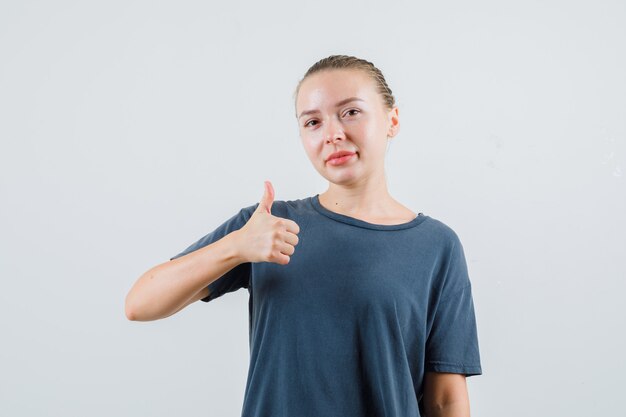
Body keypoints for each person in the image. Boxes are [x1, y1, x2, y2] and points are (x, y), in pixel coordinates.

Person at [125, 54, 483, 417]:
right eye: (313, 122)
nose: (333, 134)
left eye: (351, 112)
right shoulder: (266, 224)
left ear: (392, 120)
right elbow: (140, 303)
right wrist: (235, 248)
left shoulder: (437, 246)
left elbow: (446, 399)